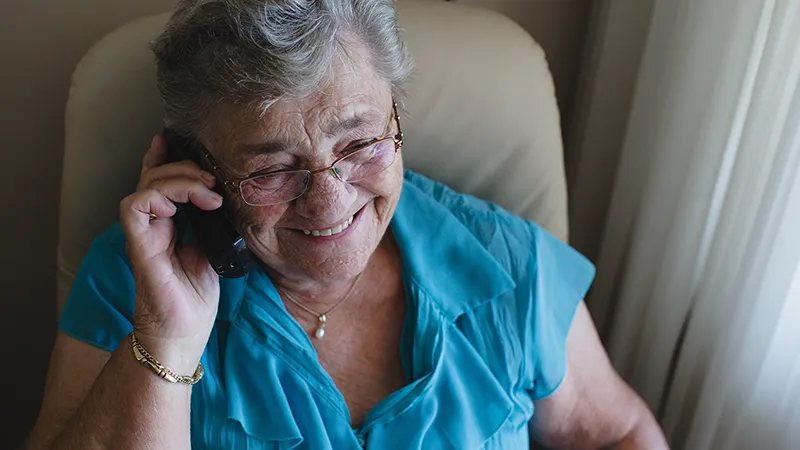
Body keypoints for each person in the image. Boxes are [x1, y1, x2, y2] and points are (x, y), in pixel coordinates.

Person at [27, 1, 669, 448]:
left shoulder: (506, 265)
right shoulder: (135, 278)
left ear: (397, 115)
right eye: (273, 168)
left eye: (359, 143)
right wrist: (164, 339)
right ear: (197, 167)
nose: (329, 202)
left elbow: (621, 434)